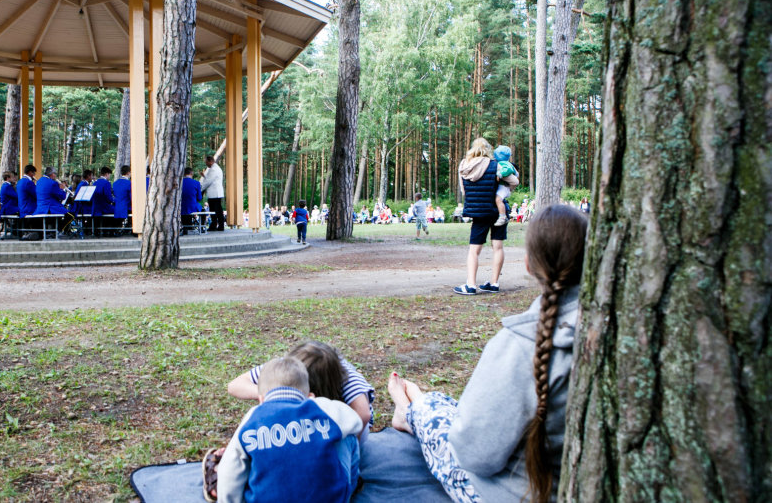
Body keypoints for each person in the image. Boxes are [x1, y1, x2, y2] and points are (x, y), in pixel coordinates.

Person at [387, 204, 587, 503]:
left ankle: (410, 410)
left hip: (511, 494)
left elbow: (474, 455)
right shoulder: (614, 334)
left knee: (433, 408)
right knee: (441, 402)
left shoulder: (518, 346)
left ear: (530, 264)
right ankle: (418, 405)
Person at [216, 356, 362, 503]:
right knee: (347, 437)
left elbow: (229, 471)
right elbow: (356, 422)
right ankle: (350, 488)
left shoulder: (253, 417)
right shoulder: (321, 407)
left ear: (261, 399)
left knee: (242, 459)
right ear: (310, 396)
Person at [227, 340, 375, 433]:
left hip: (341, 426)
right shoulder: (286, 366)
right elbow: (235, 385)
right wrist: (273, 394)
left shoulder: (345, 375)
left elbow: (363, 415)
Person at [454, 138, 507, 295]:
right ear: (488, 149)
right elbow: (508, 183)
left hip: (478, 212)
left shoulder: (464, 165)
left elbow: (463, 191)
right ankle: (494, 283)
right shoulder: (496, 164)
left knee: (474, 250)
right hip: (497, 211)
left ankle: (471, 285)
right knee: (497, 247)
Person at [34, 166, 74, 233]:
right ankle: (59, 229)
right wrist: (62, 188)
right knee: (71, 216)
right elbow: (62, 196)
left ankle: (55, 231)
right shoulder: (53, 183)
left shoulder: (39, 181)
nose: (55, 176)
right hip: (50, 207)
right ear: (52, 174)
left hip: (40, 207)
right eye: (55, 174)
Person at [492, 145, 519, 227]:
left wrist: (500, 174)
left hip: (503, 187)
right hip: (505, 187)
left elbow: (508, 170)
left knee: (498, 200)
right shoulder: (506, 163)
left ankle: (502, 217)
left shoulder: (503, 163)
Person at [200, 155, 225, 231]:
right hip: (215, 193)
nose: (206, 164)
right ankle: (216, 225)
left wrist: (200, 189)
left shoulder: (214, 169)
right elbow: (211, 179)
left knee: (216, 210)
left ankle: (218, 225)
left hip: (215, 193)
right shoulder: (215, 169)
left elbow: (208, 182)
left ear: (210, 161)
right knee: (215, 210)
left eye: (206, 162)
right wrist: (204, 176)